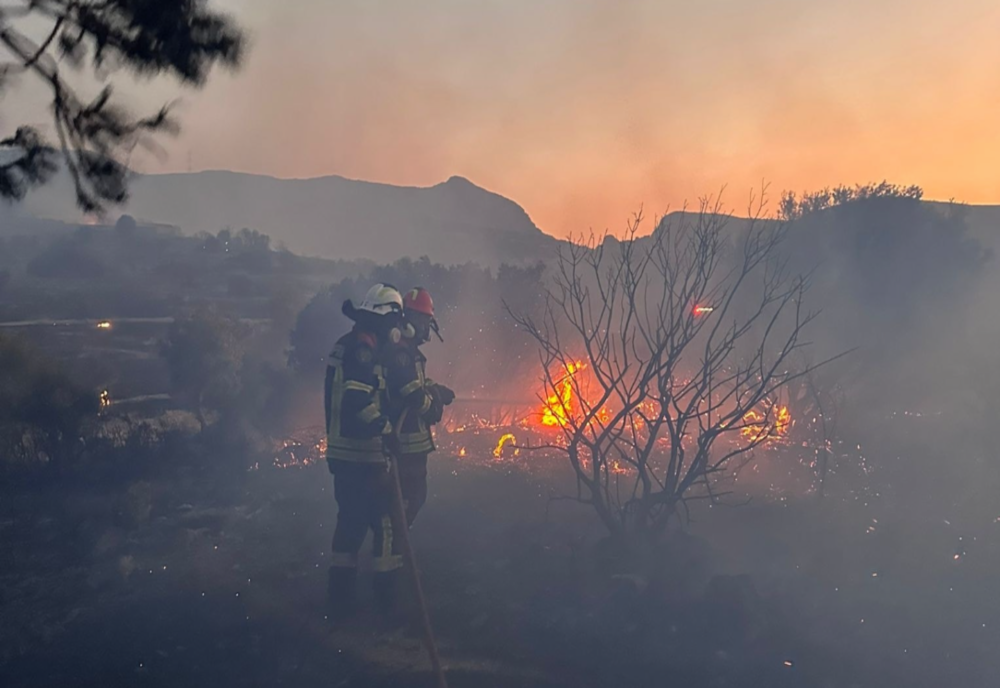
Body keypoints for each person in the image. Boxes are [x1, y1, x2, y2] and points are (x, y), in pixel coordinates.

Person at [324, 283, 406, 618]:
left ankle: (340, 601)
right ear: (384, 321)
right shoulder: (362, 351)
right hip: (362, 456)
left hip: (343, 454)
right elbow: (358, 401)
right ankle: (387, 604)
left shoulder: (349, 345)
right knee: (385, 523)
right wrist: (387, 431)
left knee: (350, 524)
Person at [383, 287, 456, 533]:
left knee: (410, 503)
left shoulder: (409, 351)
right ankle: (392, 559)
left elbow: (419, 384)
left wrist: (438, 389)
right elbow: (412, 393)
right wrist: (433, 408)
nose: (426, 329)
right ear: (410, 321)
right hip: (405, 448)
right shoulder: (402, 353)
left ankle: (395, 551)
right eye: (423, 321)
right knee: (402, 507)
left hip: (411, 450)